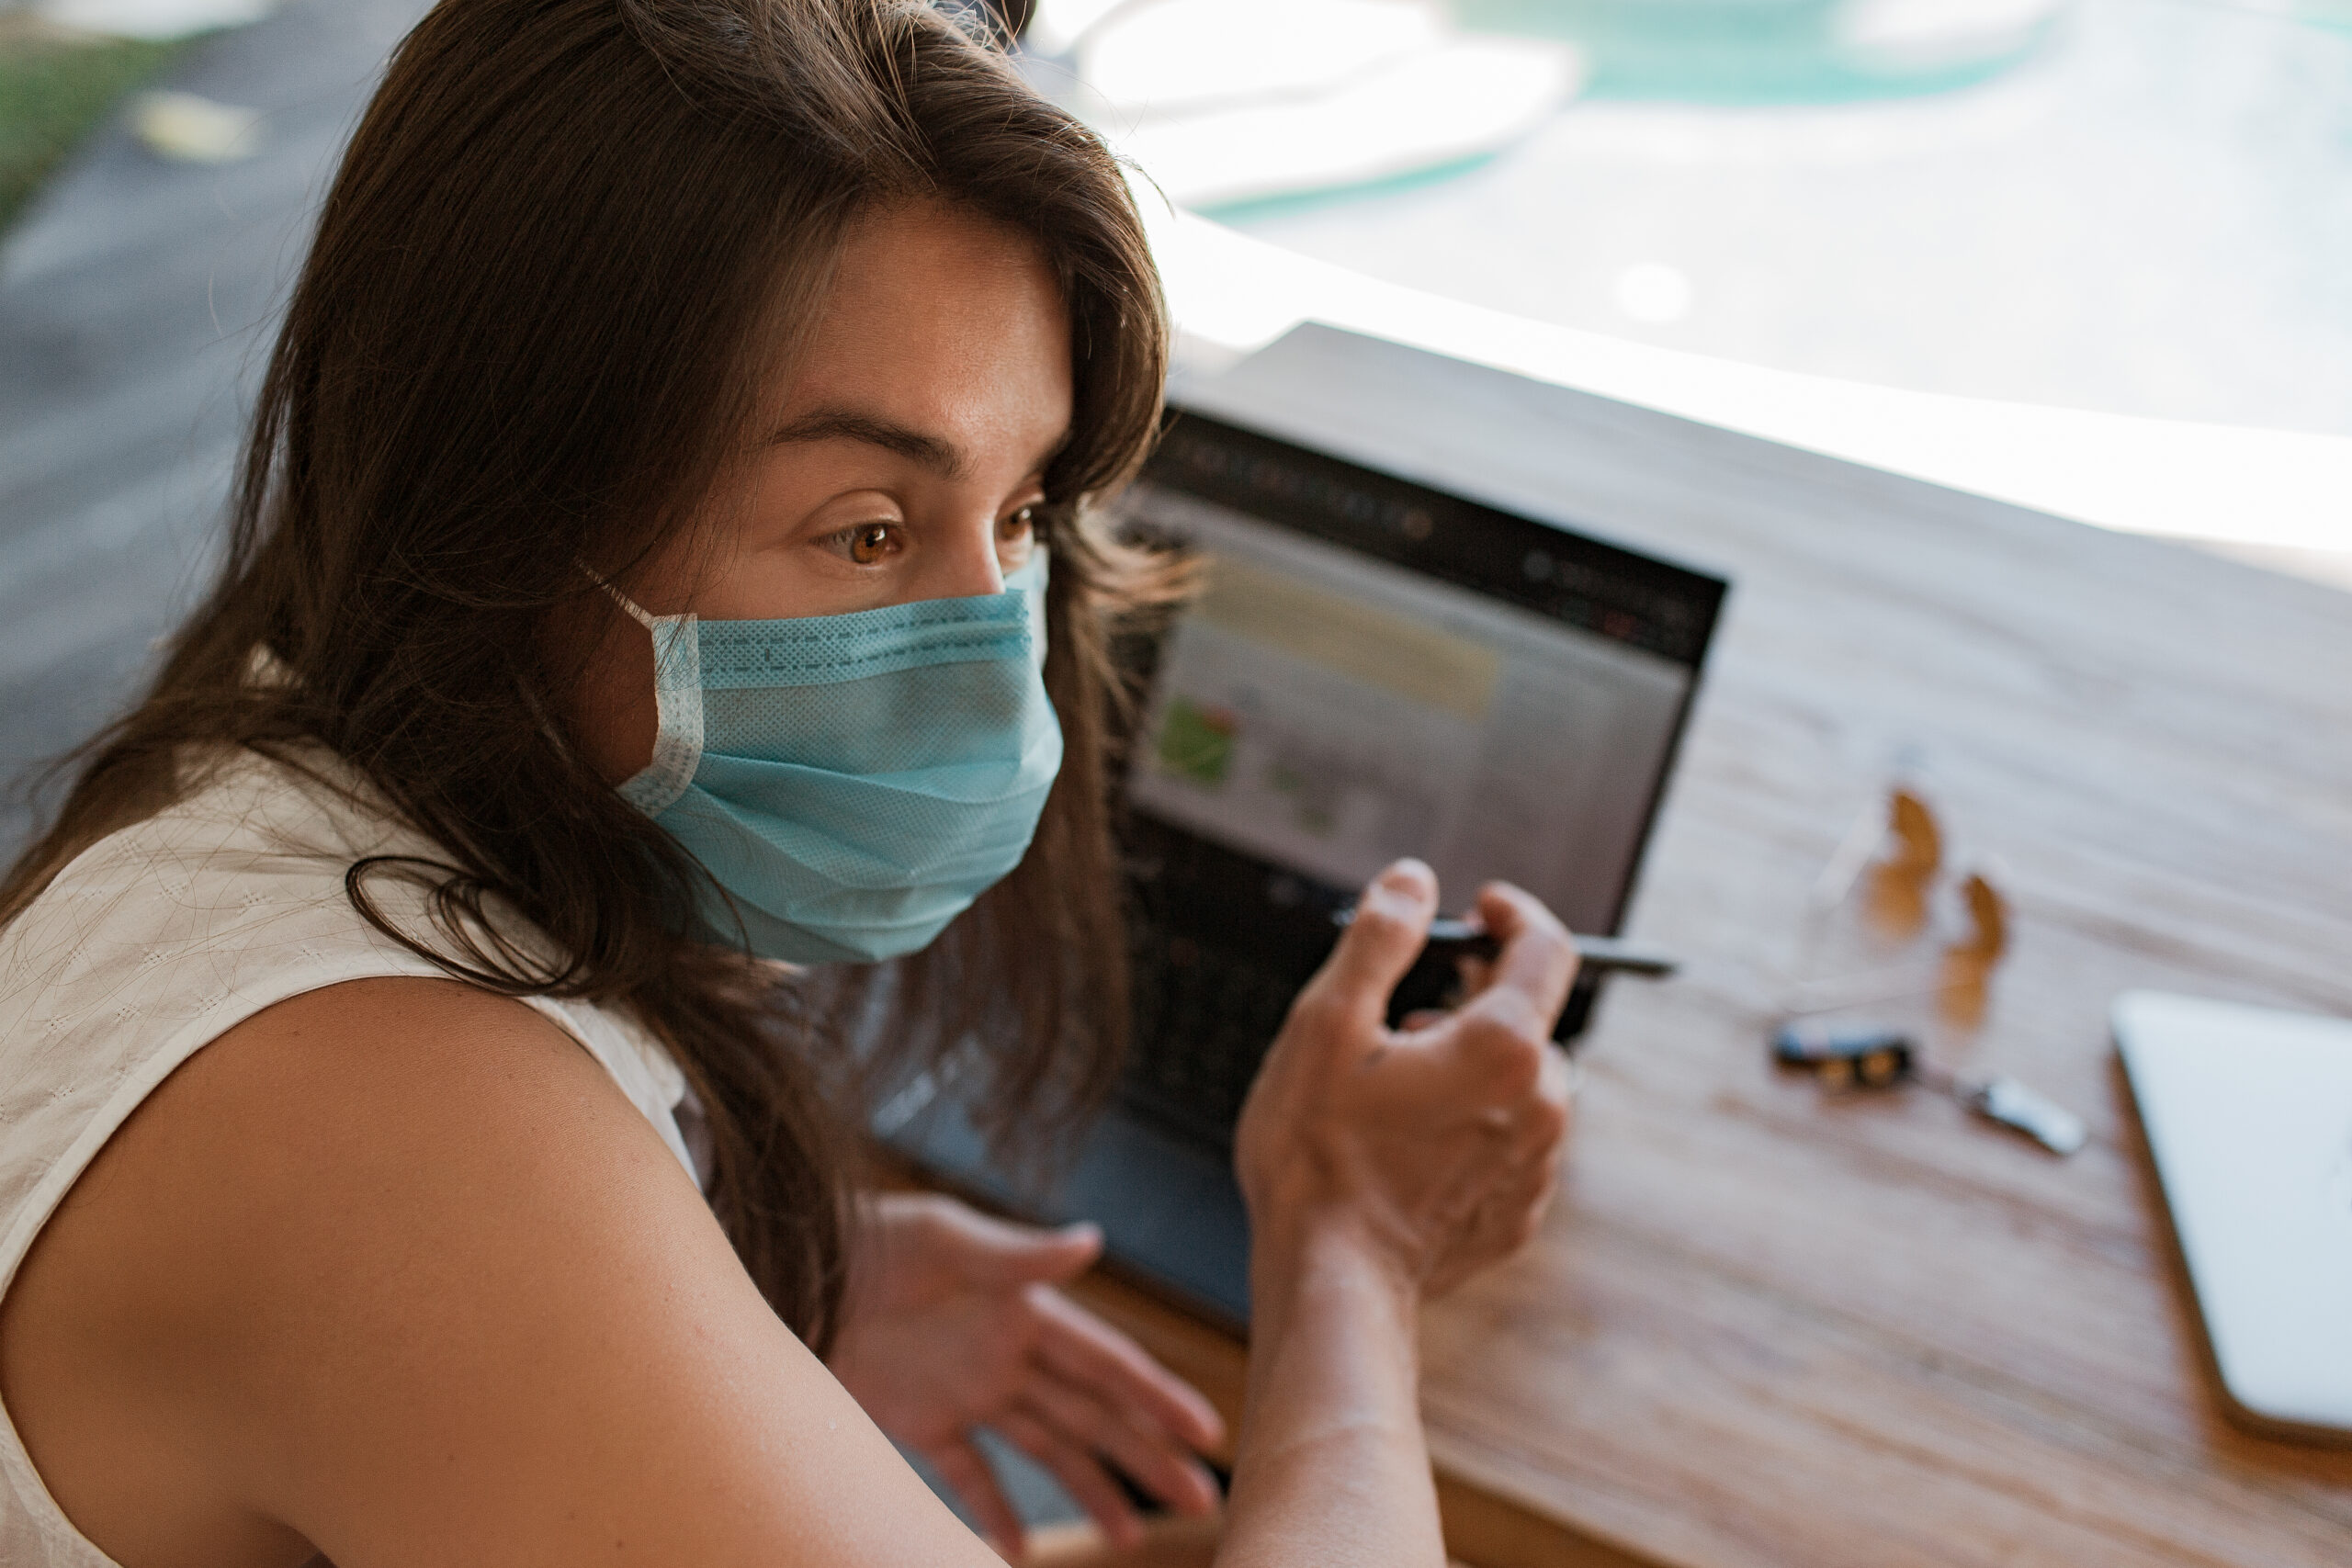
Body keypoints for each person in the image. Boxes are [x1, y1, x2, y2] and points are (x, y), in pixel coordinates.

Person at [0, 1, 1578, 1563]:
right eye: (867, 531)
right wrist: (1349, 1250)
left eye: (1022, 512)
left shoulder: (261, 757)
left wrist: (707, 1291)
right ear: (502, 517)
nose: (989, 653)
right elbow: (416, 1243)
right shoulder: (386, 1138)